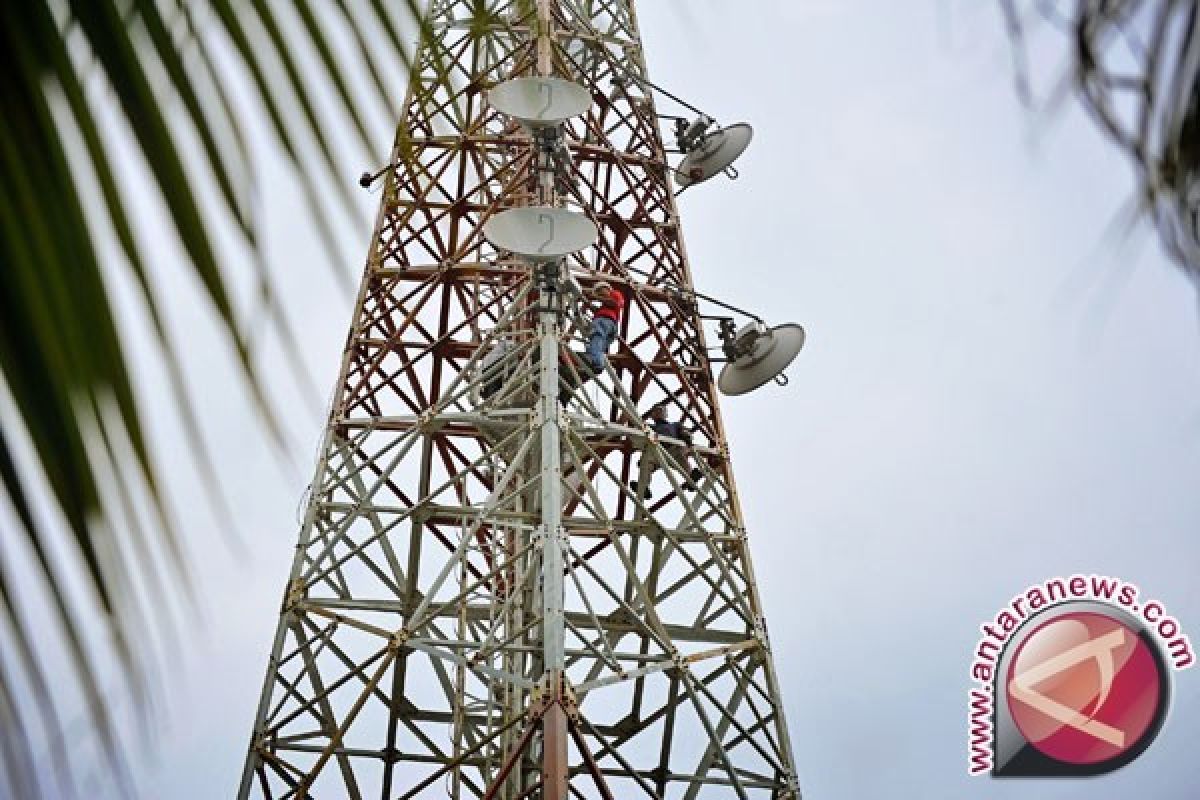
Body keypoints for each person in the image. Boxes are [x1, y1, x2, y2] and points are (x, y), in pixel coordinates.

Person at [629, 403, 704, 499]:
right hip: (657, 449)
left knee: (681, 458)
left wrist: (687, 438)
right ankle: (643, 487)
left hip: (672, 448)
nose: (658, 412)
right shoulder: (649, 427)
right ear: (652, 416)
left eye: (661, 410)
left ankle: (691, 479)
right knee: (646, 462)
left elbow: (685, 433)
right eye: (655, 411)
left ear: (665, 414)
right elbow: (638, 434)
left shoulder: (675, 425)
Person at [583, 280, 624, 373]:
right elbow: (599, 311)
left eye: (599, 291)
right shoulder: (605, 306)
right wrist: (588, 304)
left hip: (605, 321)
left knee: (597, 338)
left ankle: (597, 362)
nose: (599, 294)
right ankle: (596, 362)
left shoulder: (615, 294)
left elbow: (614, 303)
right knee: (598, 346)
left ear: (606, 289)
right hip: (609, 324)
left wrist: (596, 297)